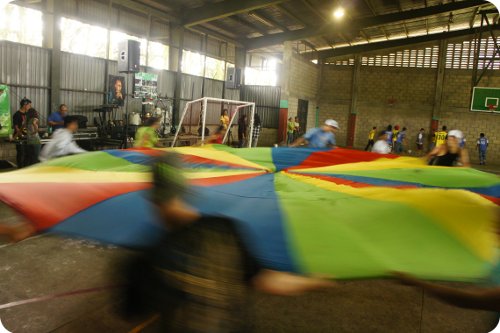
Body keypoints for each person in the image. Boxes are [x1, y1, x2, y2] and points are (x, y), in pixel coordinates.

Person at [122, 153, 335, 331]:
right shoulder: (224, 230)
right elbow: (267, 280)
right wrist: (311, 281)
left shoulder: (148, 257)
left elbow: (131, 310)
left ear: (154, 200)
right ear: (184, 191)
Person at [12, 98, 31, 168]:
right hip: (19, 137)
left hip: (27, 136)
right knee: (21, 153)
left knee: (27, 153)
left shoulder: (28, 114)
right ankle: (20, 168)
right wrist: (21, 135)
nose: (30, 107)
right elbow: (16, 126)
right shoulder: (17, 114)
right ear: (24, 105)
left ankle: (26, 168)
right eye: (29, 105)